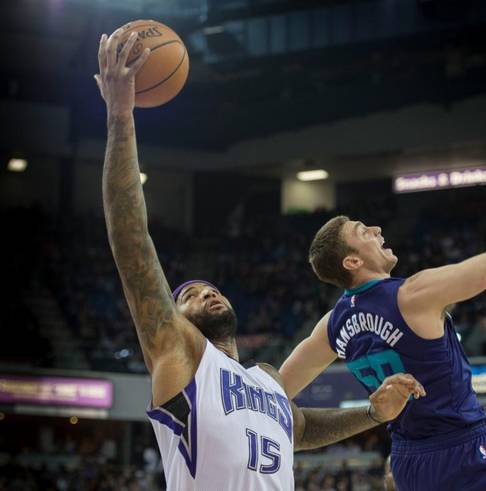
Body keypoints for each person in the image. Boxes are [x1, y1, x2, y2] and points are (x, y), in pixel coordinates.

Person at [94, 28, 425, 491]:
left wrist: (371, 413)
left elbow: (302, 429)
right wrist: (120, 117)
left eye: (208, 287)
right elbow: (131, 241)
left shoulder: (267, 378)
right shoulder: (179, 350)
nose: (206, 291)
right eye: (188, 295)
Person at [280, 209, 486, 490]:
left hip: (407, 462)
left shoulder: (332, 325)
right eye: (363, 231)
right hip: (462, 451)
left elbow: (277, 388)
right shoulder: (412, 294)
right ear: (352, 262)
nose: (376, 229)